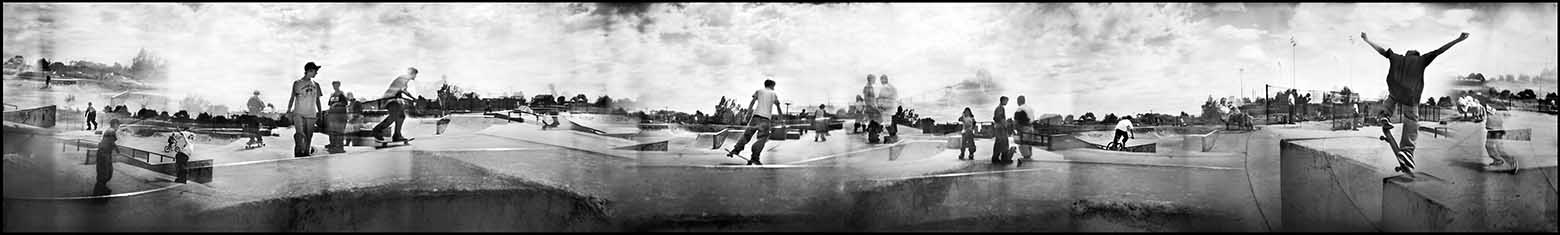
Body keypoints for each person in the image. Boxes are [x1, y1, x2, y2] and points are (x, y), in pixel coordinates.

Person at [1361, 31, 1468, 161]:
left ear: (1407, 54)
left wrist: (1367, 40)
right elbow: (1439, 51)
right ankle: (1407, 151)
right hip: (1410, 95)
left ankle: (1384, 115)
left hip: (1394, 88)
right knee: (1411, 120)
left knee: (1392, 97)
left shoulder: (1397, 57)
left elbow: (1382, 51)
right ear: (1417, 55)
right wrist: (1458, 39)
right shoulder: (1421, 59)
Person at [728, 79, 783, 165]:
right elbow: (778, 107)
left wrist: (747, 115)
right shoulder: (773, 94)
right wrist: (781, 119)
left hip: (755, 117)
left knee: (747, 135)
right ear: (772, 86)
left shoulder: (759, 91)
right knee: (762, 138)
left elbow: (752, 103)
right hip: (765, 119)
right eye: (774, 86)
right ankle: (755, 157)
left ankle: (736, 150)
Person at [286, 62, 324, 157]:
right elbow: (292, 97)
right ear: (309, 71)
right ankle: (298, 152)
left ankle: (306, 153)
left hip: (311, 114)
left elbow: (317, 100)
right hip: (298, 113)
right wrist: (289, 110)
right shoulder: (297, 83)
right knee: (300, 134)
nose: (316, 73)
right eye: (315, 71)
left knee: (309, 136)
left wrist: (320, 112)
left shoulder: (316, 85)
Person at [372, 67, 418, 142]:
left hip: (394, 100)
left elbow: (403, 90)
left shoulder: (404, 79)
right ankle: (377, 130)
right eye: (415, 75)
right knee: (394, 116)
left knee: (401, 116)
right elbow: (404, 91)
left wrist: (413, 99)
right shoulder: (403, 78)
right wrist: (413, 98)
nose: (415, 77)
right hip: (390, 99)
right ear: (412, 73)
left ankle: (397, 135)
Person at [1482, 102, 1515, 170]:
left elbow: (1507, 114)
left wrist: (1499, 116)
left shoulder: (1499, 104)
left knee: (1499, 148)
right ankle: (1497, 161)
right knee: (1488, 146)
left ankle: (1512, 162)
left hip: (1497, 130)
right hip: (1491, 129)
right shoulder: (1486, 103)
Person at [95, 119, 121, 190]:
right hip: (104, 154)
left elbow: (110, 142)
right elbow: (110, 142)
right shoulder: (111, 131)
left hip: (105, 154)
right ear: (115, 124)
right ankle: (101, 189)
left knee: (107, 172)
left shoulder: (110, 131)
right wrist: (117, 149)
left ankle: (102, 187)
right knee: (105, 173)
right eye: (118, 125)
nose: (118, 127)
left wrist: (116, 148)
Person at [325, 81, 350, 154]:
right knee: (332, 130)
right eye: (333, 85)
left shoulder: (341, 94)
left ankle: (339, 146)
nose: (334, 86)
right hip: (333, 115)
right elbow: (329, 104)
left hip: (340, 115)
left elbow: (345, 103)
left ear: (339, 85)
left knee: (339, 130)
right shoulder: (332, 95)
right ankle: (332, 144)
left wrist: (336, 103)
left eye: (336, 85)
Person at [991, 96, 1012, 163]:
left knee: (999, 143)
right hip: (1001, 128)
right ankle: (1004, 158)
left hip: (998, 127)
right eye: (1006, 101)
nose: (1007, 102)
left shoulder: (998, 108)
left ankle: (996, 157)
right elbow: (1000, 118)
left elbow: (995, 118)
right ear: (1003, 100)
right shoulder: (1000, 108)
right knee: (1003, 142)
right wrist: (1005, 125)